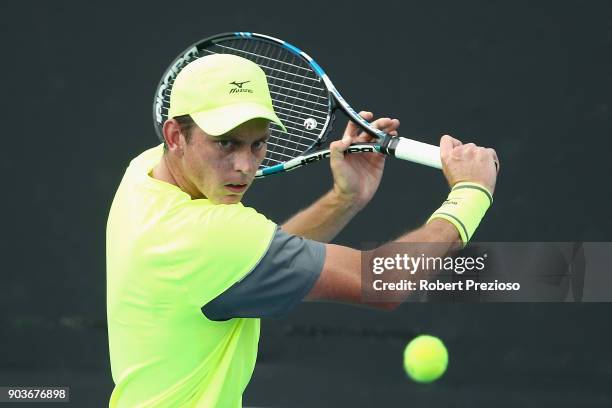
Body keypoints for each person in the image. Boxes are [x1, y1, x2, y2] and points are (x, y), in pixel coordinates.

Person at [106, 54, 499, 407]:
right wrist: (471, 192)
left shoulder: (143, 175)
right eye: (225, 143)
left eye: (258, 143)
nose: (246, 166)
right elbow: (384, 282)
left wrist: (344, 198)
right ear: (176, 136)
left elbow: (254, 259)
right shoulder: (208, 238)